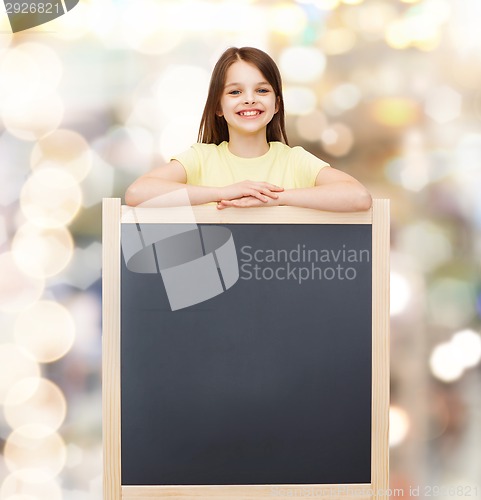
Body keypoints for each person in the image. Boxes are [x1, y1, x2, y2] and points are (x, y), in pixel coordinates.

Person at [125, 47, 372, 212]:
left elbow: (358, 197)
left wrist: (275, 198)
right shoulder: (200, 158)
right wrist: (224, 193)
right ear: (218, 107)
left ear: (276, 104)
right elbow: (137, 193)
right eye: (235, 92)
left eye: (262, 90)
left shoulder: (294, 160)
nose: (250, 99)